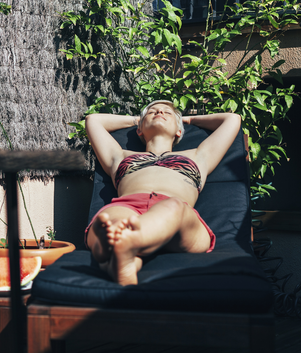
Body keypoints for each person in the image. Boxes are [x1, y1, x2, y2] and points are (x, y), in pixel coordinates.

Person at [84, 100, 241, 285]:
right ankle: (122, 258)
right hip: (127, 205)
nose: (160, 111)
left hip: (177, 214)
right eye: (152, 111)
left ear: (179, 131)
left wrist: (186, 119)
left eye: (168, 112)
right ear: (139, 130)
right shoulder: (119, 156)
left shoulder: (199, 155)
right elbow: (93, 120)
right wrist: (138, 120)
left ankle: (122, 245)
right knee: (109, 221)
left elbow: (232, 119)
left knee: (172, 207)